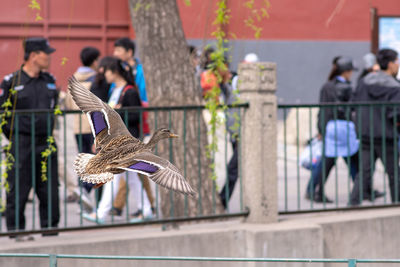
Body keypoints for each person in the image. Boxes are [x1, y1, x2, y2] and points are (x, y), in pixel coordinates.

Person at [0, 37, 60, 238]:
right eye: (46, 54)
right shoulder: (11, 81)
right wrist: (15, 134)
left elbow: (54, 108)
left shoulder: (49, 80)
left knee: (49, 188)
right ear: (33, 56)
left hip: (46, 142)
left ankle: (50, 229)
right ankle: (17, 230)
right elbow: (3, 114)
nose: (49, 58)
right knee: (18, 187)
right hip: (21, 143)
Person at [82, 57, 153, 223]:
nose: (103, 74)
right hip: (116, 141)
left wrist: (119, 113)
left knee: (114, 175)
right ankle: (147, 210)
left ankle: (101, 213)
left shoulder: (130, 92)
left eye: (106, 70)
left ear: (114, 72)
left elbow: (135, 116)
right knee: (131, 178)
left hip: (126, 141)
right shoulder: (115, 91)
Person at [305, 56, 384, 203]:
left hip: (332, 128)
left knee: (335, 162)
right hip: (342, 129)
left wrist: (321, 128)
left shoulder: (329, 86)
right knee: (349, 161)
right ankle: (362, 191)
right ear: (346, 71)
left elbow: (323, 109)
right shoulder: (341, 87)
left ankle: (316, 190)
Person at [111, 37, 155, 218]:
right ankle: (143, 206)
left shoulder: (140, 72)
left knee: (131, 170)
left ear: (129, 52)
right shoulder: (117, 73)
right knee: (130, 171)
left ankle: (119, 207)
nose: (115, 54)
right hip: (122, 128)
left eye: (119, 50)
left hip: (135, 125)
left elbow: (142, 95)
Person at [350, 48, 400, 205]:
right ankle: (396, 205)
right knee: (394, 174)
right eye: (397, 62)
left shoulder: (364, 82)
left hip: (365, 134)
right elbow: (396, 112)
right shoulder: (394, 86)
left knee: (364, 172)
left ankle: (353, 204)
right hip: (387, 136)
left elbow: (354, 104)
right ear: (391, 64)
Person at [64, 46, 100, 211]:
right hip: (94, 127)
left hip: (77, 127)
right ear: (94, 61)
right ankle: (84, 191)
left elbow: (67, 104)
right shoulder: (97, 79)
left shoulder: (73, 80)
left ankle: (82, 197)